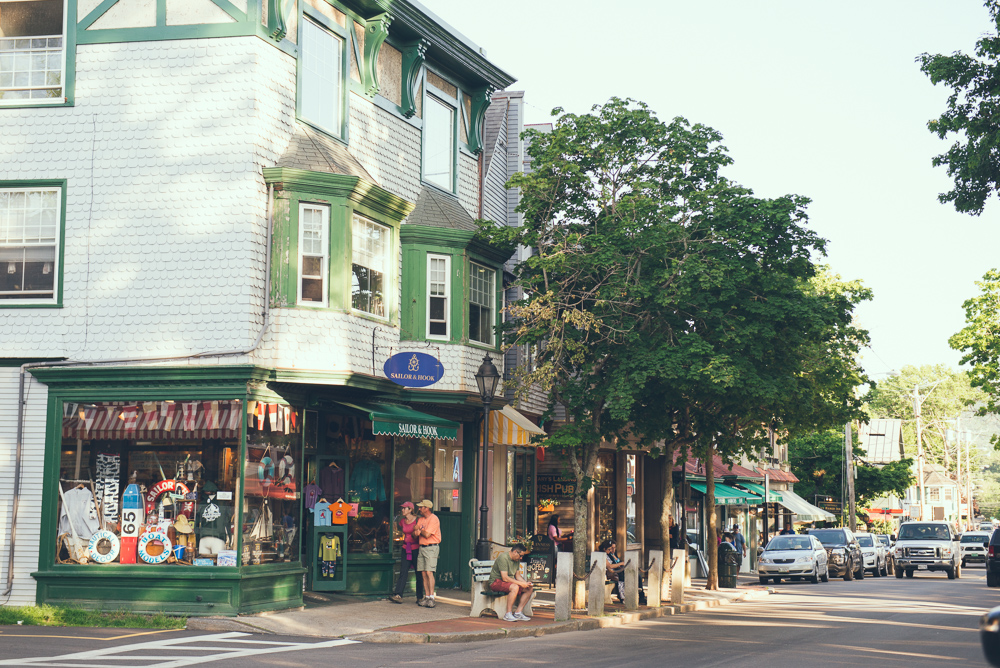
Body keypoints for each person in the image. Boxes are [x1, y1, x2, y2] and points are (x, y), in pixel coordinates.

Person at [388, 501, 424, 604]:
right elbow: (400, 531)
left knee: (418, 572)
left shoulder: (417, 520)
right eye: (402, 508)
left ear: (410, 509)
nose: (402, 510)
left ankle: (420, 597)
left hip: (416, 549)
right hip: (405, 548)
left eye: (405, 508)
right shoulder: (402, 521)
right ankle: (398, 595)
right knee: (403, 571)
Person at [489, 544, 534, 622]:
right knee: (515, 587)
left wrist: (525, 583)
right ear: (515, 552)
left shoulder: (516, 560)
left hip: (507, 582)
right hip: (496, 582)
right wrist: (520, 584)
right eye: (520, 556)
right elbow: (505, 578)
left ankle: (518, 613)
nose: (521, 558)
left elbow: (517, 575)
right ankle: (508, 614)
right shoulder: (503, 558)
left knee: (529, 588)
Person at [413, 499, 441, 608]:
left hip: (431, 547)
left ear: (427, 508)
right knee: (423, 572)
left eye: (421, 507)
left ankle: (432, 598)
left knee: (430, 572)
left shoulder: (434, 519)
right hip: (422, 547)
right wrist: (418, 531)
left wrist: (419, 530)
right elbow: (415, 534)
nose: (419, 509)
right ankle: (427, 596)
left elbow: (427, 534)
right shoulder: (420, 519)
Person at [600, 539, 646, 605]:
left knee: (637, 575)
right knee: (624, 576)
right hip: (613, 572)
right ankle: (624, 596)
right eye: (610, 548)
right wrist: (621, 563)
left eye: (613, 548)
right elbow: (610, 566)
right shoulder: (604, 555)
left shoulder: (613, 555)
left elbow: (617, 562)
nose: (612, 550)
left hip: (619, 570)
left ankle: (640, 594)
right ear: (605, 549)